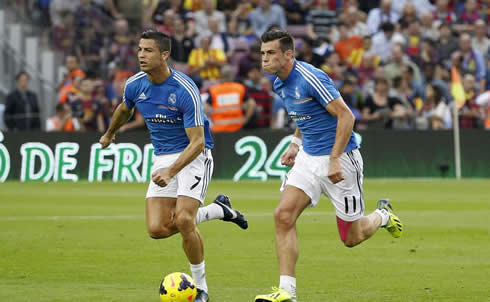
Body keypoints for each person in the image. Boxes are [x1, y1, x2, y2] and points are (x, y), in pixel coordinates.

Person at [98, 30, 248, 302]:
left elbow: (198, 142)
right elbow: (124, 108)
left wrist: (171, 171)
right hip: (163, 156)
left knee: (184, 219)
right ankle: (218, 210)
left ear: (164, 55)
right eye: (140, 49)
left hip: (193, 155)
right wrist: (110, 133)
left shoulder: (184, 89)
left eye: (148, 50)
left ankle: (202, 288)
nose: (141, 55)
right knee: (156, 229)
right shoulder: (135, 84)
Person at [254, 30, 403, 302]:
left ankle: (382, 215)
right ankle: (287, 292)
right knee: (283, 216)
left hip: (341, 159)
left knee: (351, 237)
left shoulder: (311, 77)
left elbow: (346, 117)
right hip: (308, 160)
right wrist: (295, 144)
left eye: (271, 53)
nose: (264, 58)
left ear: (288, 55)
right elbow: (304, 117)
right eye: (263, 53)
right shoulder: (278, 82)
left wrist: (334, 158)